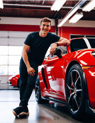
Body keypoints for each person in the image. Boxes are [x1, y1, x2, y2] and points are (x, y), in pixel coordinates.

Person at [12, 17, 70, 117]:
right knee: (22, 83)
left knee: (30, 83)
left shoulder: (51, 37)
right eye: (43, 25)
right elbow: (24, 52)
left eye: (47, 25)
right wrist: (28, 67)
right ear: (40, 26)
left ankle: (22, 107)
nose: (45, 27)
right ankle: (24, 107)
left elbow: (67, 41)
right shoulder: (31, 36)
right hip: (25, 61)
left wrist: (55, 44)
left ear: (50, 27)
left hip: (35, 63)